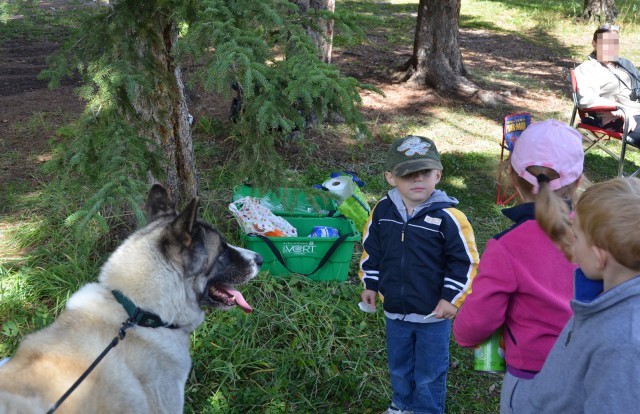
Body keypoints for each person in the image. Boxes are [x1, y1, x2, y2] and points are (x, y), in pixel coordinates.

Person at [452, 119, 585, 414]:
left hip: (532, 378)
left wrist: (463, 334)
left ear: (512, 176)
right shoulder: (599, 233)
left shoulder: (507, 246)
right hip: (591, 370)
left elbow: (477, 321)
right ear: (578, 181)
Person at [359, 135, 479, 414]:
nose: (417, 180)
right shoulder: (382, 211)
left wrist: (451, 299)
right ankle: (401, 404)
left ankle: (426, 409)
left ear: (437, 174)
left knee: (430, 369)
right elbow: (371, 250)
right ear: (391, 177)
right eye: (407, 174)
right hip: (395, 311)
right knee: (399, 364)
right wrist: (370, 283)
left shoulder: (450, 217)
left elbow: (466, 262)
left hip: (432, 314)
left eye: (424, 173)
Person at [514, 177, 640, 413]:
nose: (570, 241)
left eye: (577, 236)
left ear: (599, 257)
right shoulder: (601, 293)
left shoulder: (624, 344)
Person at [572, 24, 640, 141]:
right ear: (595, 44)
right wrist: (619, 110)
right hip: (616, 117)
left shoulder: (625, 64)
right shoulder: (588, 68)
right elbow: (586, 99)